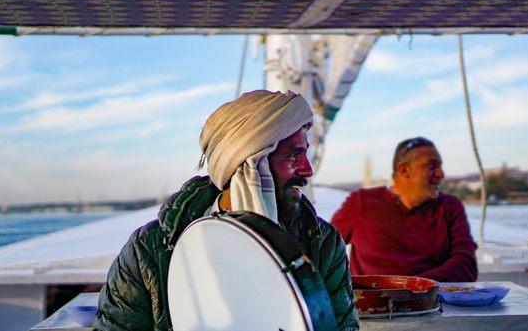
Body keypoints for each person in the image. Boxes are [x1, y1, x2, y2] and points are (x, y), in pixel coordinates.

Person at [93, 90, 359, 330]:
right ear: (250, 164)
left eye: (305, 154)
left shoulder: (323, 242)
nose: (307, 170)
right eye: (292, 155)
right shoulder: (149, 251)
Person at [331, 137, 478, 282]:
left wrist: (412, 286)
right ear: (404, 170)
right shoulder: (361, 203)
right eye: (432, 166)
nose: (441, 174)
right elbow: (325, 251)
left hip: (432, 303)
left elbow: (466, 264)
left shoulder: (449, 207)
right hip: (370, 303)